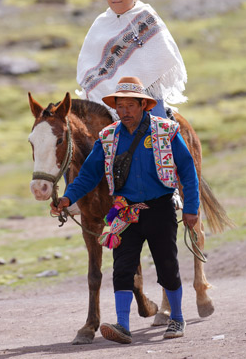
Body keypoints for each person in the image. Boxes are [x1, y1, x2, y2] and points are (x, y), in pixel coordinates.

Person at [51, 76, 200, 345]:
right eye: (120, 106)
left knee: (167, 265)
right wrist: (67, 198)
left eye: (131, 105)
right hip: (124, 212)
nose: (125, 111)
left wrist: (191, 207)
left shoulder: (166, 131)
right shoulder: (107, 138)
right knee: (121, 269)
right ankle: (123, 325)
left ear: (143, 105)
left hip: (160, 208)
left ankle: (177, 317)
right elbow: (87, 175)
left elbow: (187, 170)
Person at [76, 0, 187, 120]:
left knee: (160, 132)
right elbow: (89, 63)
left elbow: (162, 55)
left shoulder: (146, 17)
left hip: (145, 95)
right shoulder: (100, 23)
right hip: (107, 99)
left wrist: (137, 90)